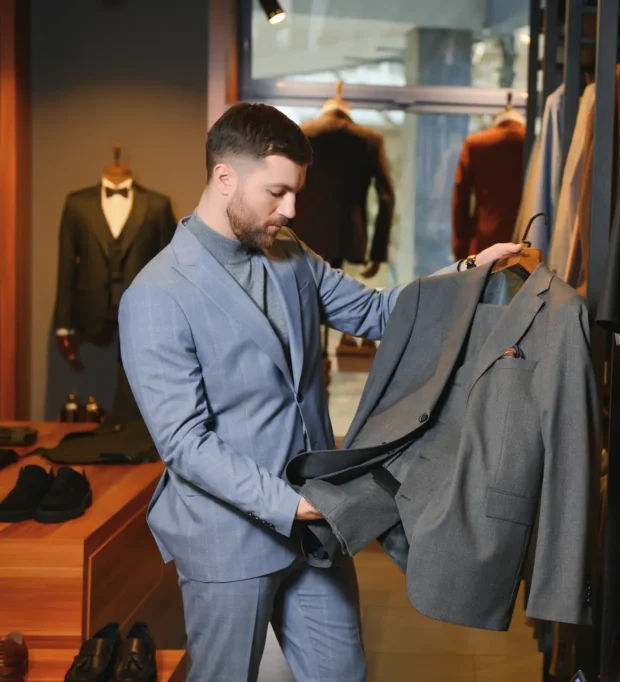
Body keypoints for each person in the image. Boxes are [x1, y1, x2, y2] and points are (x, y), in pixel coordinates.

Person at [118, 102, 521, 681]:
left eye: (296, 193)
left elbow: (379, 311)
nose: (291, 209)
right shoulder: (155, 295)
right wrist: (292, 504)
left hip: (316, 531)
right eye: (277, 192)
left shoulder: (289, 254)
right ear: (224, 176)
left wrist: (469, 271)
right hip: (228, 539)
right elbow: (185, 443)